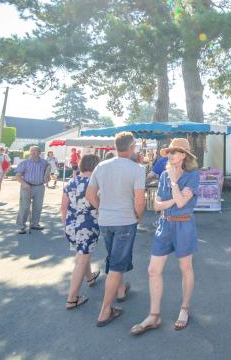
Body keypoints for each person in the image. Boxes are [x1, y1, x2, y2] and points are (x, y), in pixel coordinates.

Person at [130, 138, 200, 335]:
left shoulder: (193, 174)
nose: (170, 155)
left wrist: (174, 183)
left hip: (184, 224)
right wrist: (171, 198)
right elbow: (157, 205)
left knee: (185, 268)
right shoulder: (163, 176)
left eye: (175, 152)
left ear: (184, 155)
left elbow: (179, 203)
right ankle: (154, 315)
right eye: (169, 152)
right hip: (164, 224)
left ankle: (185, 309)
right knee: (153, 270)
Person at [86, 132, 146, 327]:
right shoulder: (137, 169)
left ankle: (120, 290)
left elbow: (90, 194)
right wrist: (139, 215)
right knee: (117, 265)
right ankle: (105, 310)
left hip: (105, 219)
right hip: (125, 220)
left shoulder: (101, 166)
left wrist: (100, 207)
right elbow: (139, 199)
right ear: (132, 147)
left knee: (114, 257)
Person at [61, 154, 101, 310]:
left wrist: (65, 224)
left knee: (82, 255)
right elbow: (99, 205)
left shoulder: (71, 182)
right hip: (88, 225)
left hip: (71, 224)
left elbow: (63, 207)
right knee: (81, 260)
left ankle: (90, 278)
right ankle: (72, 298)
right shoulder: (95, 184)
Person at [15, 146, 49, 234]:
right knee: (24, 207)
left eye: (35, 151)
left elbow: (47, 175)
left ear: (39, 153)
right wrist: (24, 184)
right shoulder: (24, 163)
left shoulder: (44, 163)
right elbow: (18, 176)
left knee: (38, 206)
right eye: (31, 151)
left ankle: (35, 224)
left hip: (39, 187)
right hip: (26, 187)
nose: (33, 152)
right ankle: (21, 226)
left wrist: (47, 179)